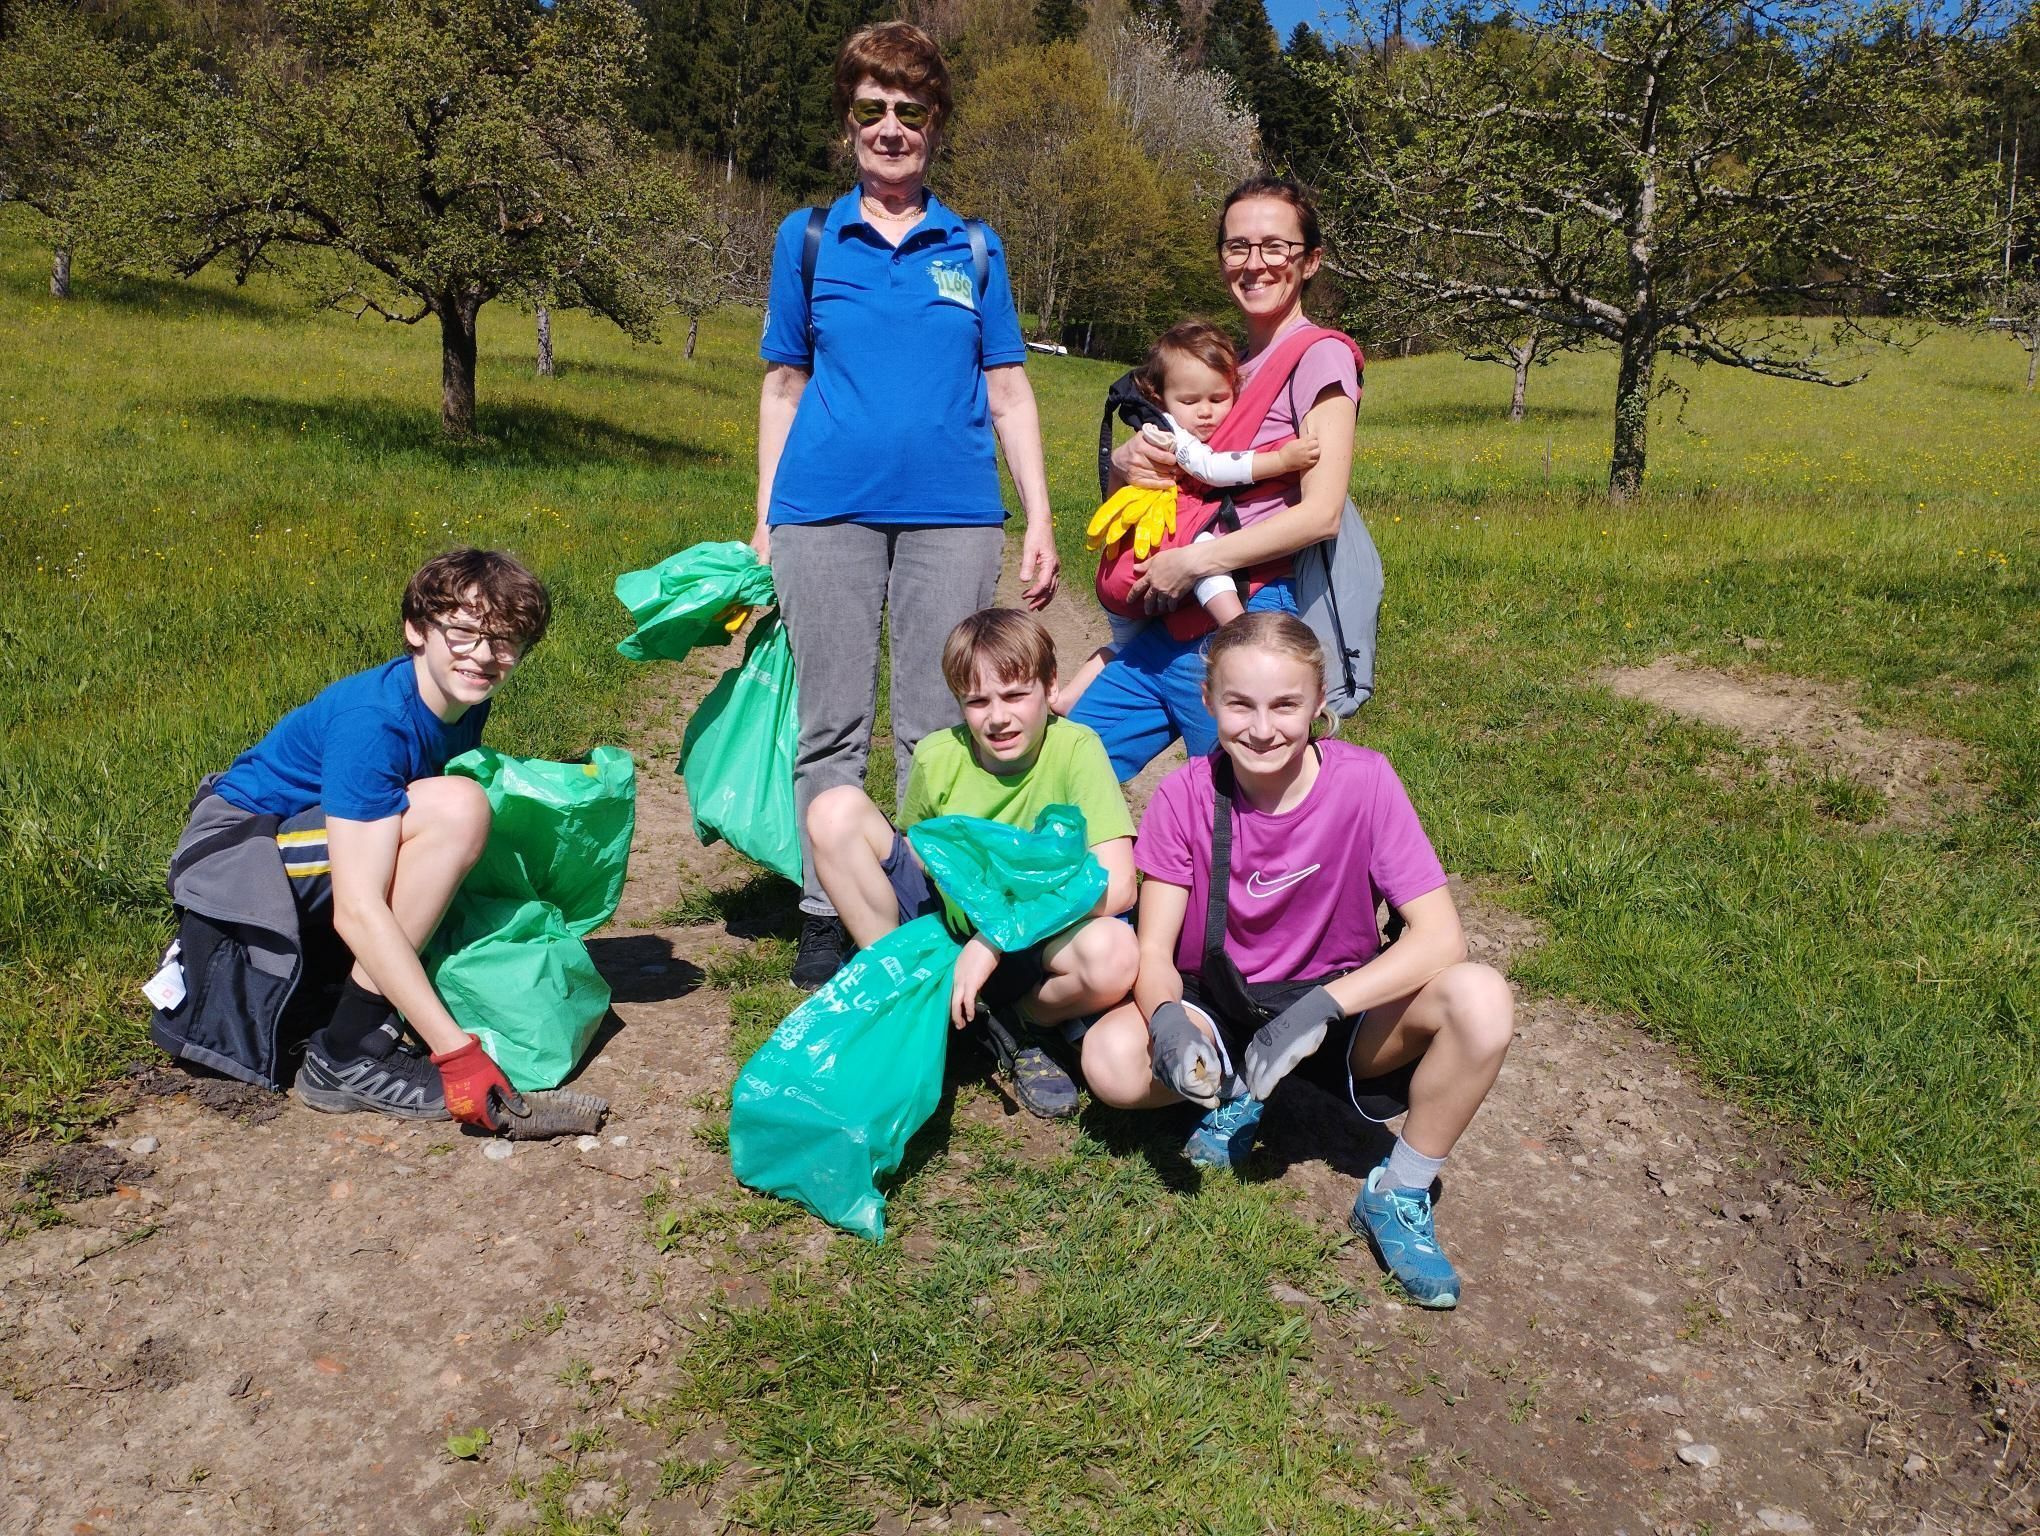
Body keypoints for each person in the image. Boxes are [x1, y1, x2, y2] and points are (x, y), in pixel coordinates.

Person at [1079, 614, 1514, 1309]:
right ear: (1208, 701)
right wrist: (1166, 1021)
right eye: (1239, 704)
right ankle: (1230, 1092)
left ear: (1319, 704)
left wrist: (1320, 1009)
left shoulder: (1366, 784)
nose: (1262, 728)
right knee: (1110, 1063)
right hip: (1221, 1007)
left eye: (1285, 704)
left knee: (1482, 998)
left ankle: (1397, 1193)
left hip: (1337, 1016)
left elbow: (1440, 939)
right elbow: (1155, 951)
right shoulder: (1185, 795)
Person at [754, 21, 1060, 990]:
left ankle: (929, 909)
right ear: (849, 122)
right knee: (832, 722)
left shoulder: (975, 247)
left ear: (936, 122)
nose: (891, 128)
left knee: (939, 725)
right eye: (872, 110)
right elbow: (783, 385)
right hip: (824, 513)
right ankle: (822, 907)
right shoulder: (807, 239)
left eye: (910, 110)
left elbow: (1009, 389)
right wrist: (764, 520)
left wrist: (1040, 516)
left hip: (955, 517)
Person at [151, 549, 548, 1130]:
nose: (485, 656)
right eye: (463, 632)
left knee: (464, 809)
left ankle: (359, 1008)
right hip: (236, 851)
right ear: (416, 629)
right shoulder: (375, 719)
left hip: (302, 833)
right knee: (459, 808)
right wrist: (455, 1052)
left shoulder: (459, 699)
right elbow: (358, 910)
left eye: (507, 641)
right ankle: (349, 1053)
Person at [1068, 177, 1361, 782]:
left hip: (1244, 609)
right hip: (1173, 620)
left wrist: (1195, 564)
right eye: (1238, 246)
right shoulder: (1226, 367)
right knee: (1068, 771)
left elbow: (1320, 513)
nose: (1255, 264)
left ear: (1311, 260)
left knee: (1243, 810)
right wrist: (1128, 463)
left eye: (1276, 246)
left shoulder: (1319, 357)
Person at [806, 609, 1137, 1119]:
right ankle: (908, 990)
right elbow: (916, 848)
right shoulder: (938, 755)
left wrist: (996, 935)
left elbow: (1118, 885)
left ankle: (1012, 1022)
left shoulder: (1077, 749)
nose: (997, 717)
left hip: (1028, 939)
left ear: (1051, 687)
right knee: (832, 810)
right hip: (948, 918)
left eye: (1014, 695)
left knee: (1114, 951)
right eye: (976, 701)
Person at [1062, 318, 1320, 709]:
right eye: (1190, 401)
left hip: (1122, 572)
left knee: (1123, 648)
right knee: (1203, 550)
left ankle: (1067, 698)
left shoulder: (1160, 423)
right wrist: (1281, 459)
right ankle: (1238, 626)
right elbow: (1212, 468)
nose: (1205, 413)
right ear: (1159, 397)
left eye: (1218, 400)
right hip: (1152, 549)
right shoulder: (1168, 433)